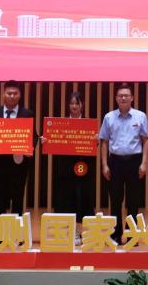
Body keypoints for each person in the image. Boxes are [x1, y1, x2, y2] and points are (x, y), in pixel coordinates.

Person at [0, 79, 35, 244]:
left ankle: (17, 235)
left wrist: (30, 147)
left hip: (19, 165)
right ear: (3, 94)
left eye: (15, 93)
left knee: (17, 200)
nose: (12, 96)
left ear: (20, 95)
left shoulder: (27, 114)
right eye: (9, 93)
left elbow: (33, 136)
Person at [99, 82, 148, 244]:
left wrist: (144, 163)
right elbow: (104, 141)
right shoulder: (109, 117)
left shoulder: (140, 116)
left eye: (126, 95)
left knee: (133, 201)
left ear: (132, 98)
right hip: (115, 162)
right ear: (116, 98)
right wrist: (104, 164)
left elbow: (146, 140)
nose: (123, 98)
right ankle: (116, 234)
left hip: (134, 161)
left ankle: (132, 235)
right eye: (120, 96)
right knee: (115, 200)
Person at [46, 91, 96, 246]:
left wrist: (95, 140)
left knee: (81, 199)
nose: (74, 106)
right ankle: (68, 231)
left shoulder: (88, 124)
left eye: (77, 103)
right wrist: (47, 140)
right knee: (65, 199)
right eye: (72, 103)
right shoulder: (61, 124)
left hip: (82, 169)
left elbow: (93, 146)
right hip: (65, 169)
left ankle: (80, 231)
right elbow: (53, 143)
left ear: (82, 105)